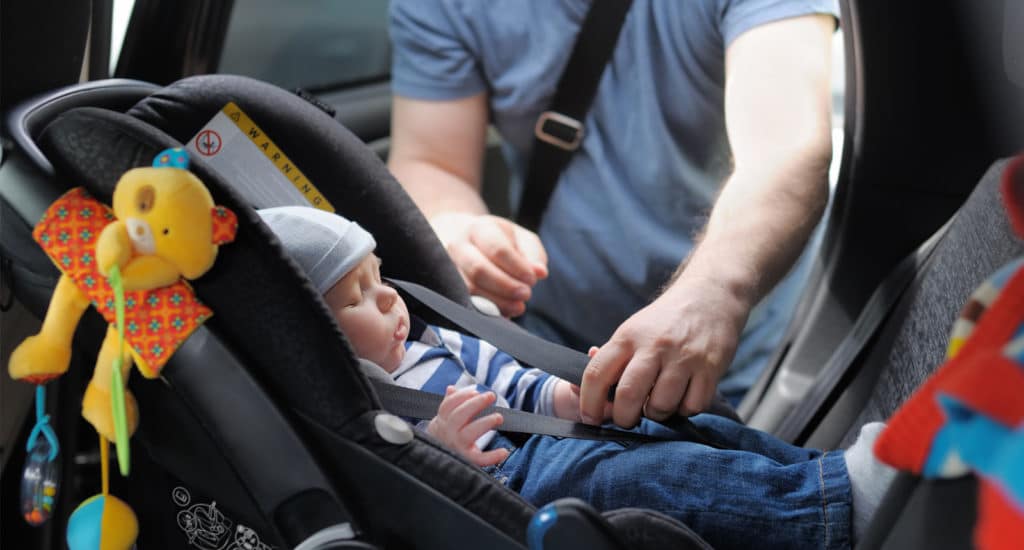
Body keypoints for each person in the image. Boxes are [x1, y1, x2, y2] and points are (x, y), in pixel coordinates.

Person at [257, 206, 894, 549]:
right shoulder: (363, 401)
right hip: (511, 476)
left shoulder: (434, 339)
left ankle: (821, 475)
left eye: (380, 279)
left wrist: (568, 394)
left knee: (688, 426)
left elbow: (510, 380)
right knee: (647, 477)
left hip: (549, 433)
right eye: (356, 299)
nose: (390, 300)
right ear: (319, 334)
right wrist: (447, 448)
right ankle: (832, 512)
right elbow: (402, 475)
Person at [386, 0, 839, 422]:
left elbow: (787, 149)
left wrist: (714, 293)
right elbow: (431, 160)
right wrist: (455, 226)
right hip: (553, 347)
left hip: (744, 347)